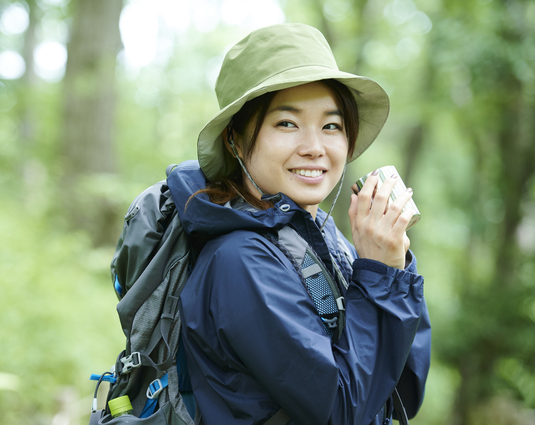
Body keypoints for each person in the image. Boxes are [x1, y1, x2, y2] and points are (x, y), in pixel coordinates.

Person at [165, 23, 431, 425]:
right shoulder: (239, 262)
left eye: (332, 126)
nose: (314, 148)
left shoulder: (329, 240)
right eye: (287, 123)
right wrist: (377, 274)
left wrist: (394, 264)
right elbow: (339, 413)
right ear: (235, 139)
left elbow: (401, 394)